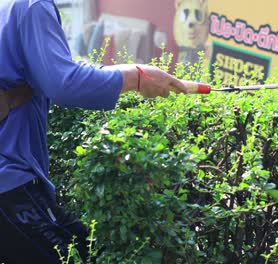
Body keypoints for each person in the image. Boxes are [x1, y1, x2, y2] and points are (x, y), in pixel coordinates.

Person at [0, 0, 188, 263]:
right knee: (83, 255)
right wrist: (136, 76)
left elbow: (52, 68)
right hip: (9, 185)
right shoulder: (32, 4)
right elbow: (63, 83)